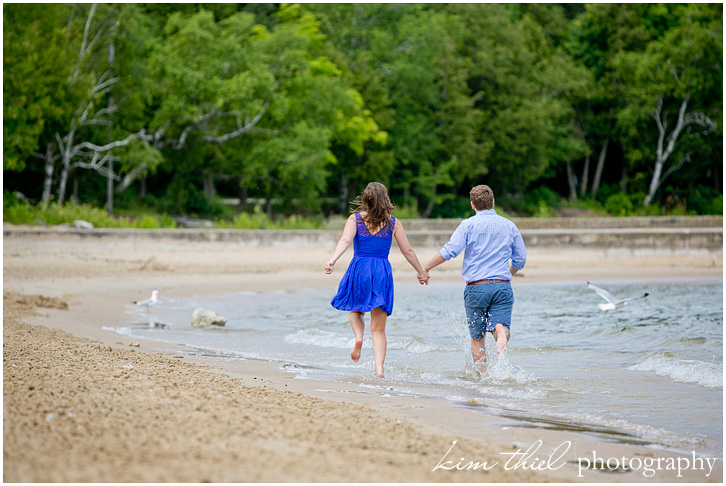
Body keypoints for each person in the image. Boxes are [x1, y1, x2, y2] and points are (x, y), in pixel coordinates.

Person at [325, 182, 429, 378]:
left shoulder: (355, 219)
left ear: (366, 198)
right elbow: (407, 250)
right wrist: (421, 271)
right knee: (379, 329)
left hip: (360, 269)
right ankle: (379, 369)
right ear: (385, 199)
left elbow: (345, 241)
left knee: (356, 311)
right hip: (381, 271)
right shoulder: (393, 223)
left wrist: (332, 260)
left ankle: (358, 338)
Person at [423, 184, 526, 376]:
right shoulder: (509, 225)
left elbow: (450, 251)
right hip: (502, 286)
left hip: (476, 288)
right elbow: (521, 259)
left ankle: (482, 376)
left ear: (473, 205)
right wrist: (508, 274)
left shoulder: (468, 225)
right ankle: (500, 331)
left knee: (477, 337)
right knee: (502, 326)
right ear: (493, 202)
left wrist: (426, 268)